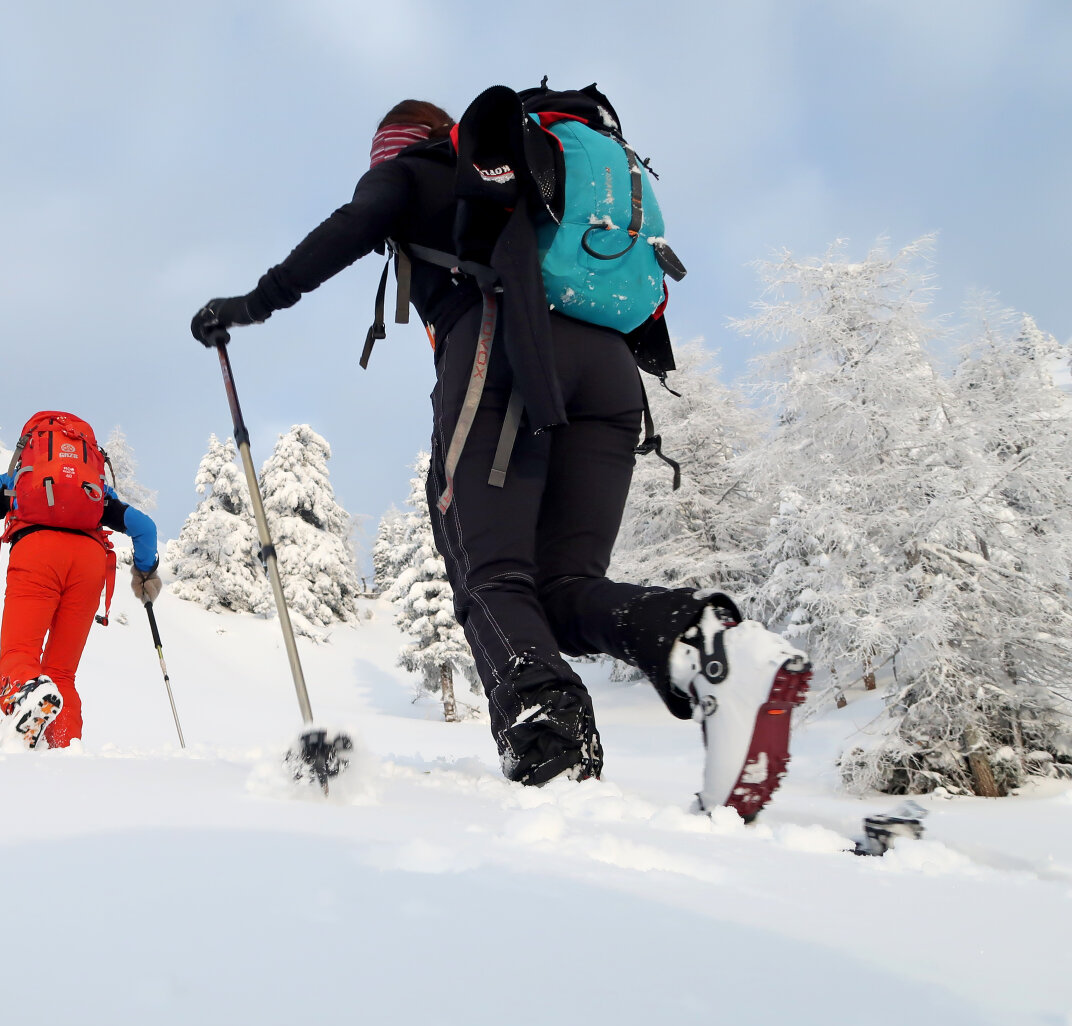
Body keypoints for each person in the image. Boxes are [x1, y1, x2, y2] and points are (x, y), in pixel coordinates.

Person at [190, 90, 811, 819]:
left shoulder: (413, 166)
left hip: (501, 354)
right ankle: (707, 647)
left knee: (490, 572)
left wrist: (252, 303)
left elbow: (352, 225)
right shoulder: (520, 185)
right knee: (562, 588)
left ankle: (551, 740)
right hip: (608, 373)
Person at [0, 412, 161, 750]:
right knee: (62, 675)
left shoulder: (17, 480)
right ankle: (65, 751)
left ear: (28, 447)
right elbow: (146, 528)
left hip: (37, 554)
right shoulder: (96, 492)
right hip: (89, 563)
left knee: (20, 655)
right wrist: (144, 574)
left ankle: (27, 691)